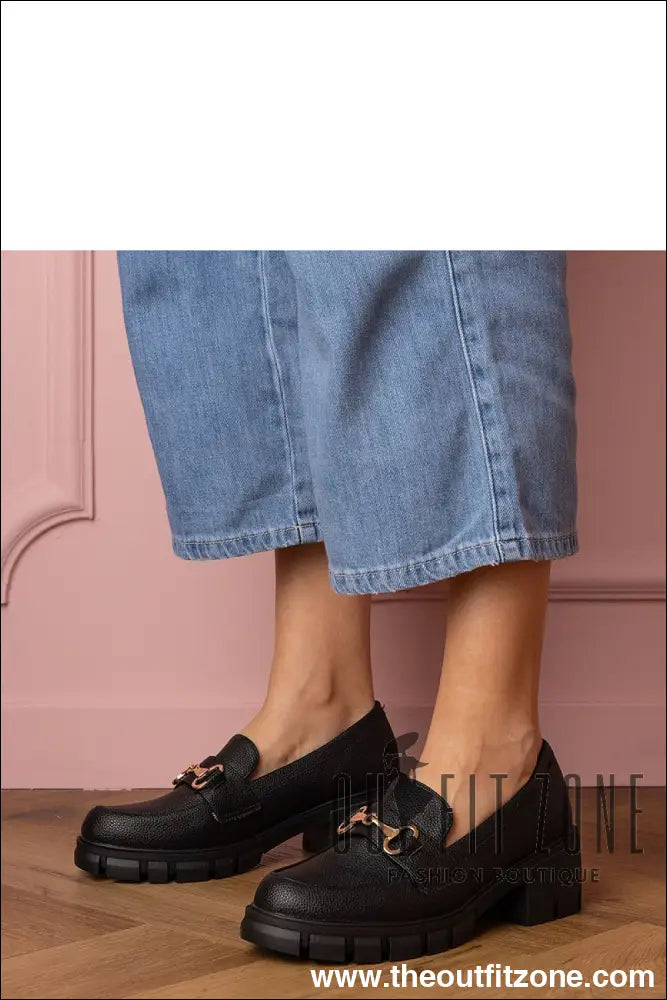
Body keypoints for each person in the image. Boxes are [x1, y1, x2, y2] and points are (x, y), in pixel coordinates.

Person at [75, 251, 580, 962]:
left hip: (493, 765)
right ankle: (319, 703)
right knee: (218, 254)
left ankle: (493, 749)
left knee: (406, 227)